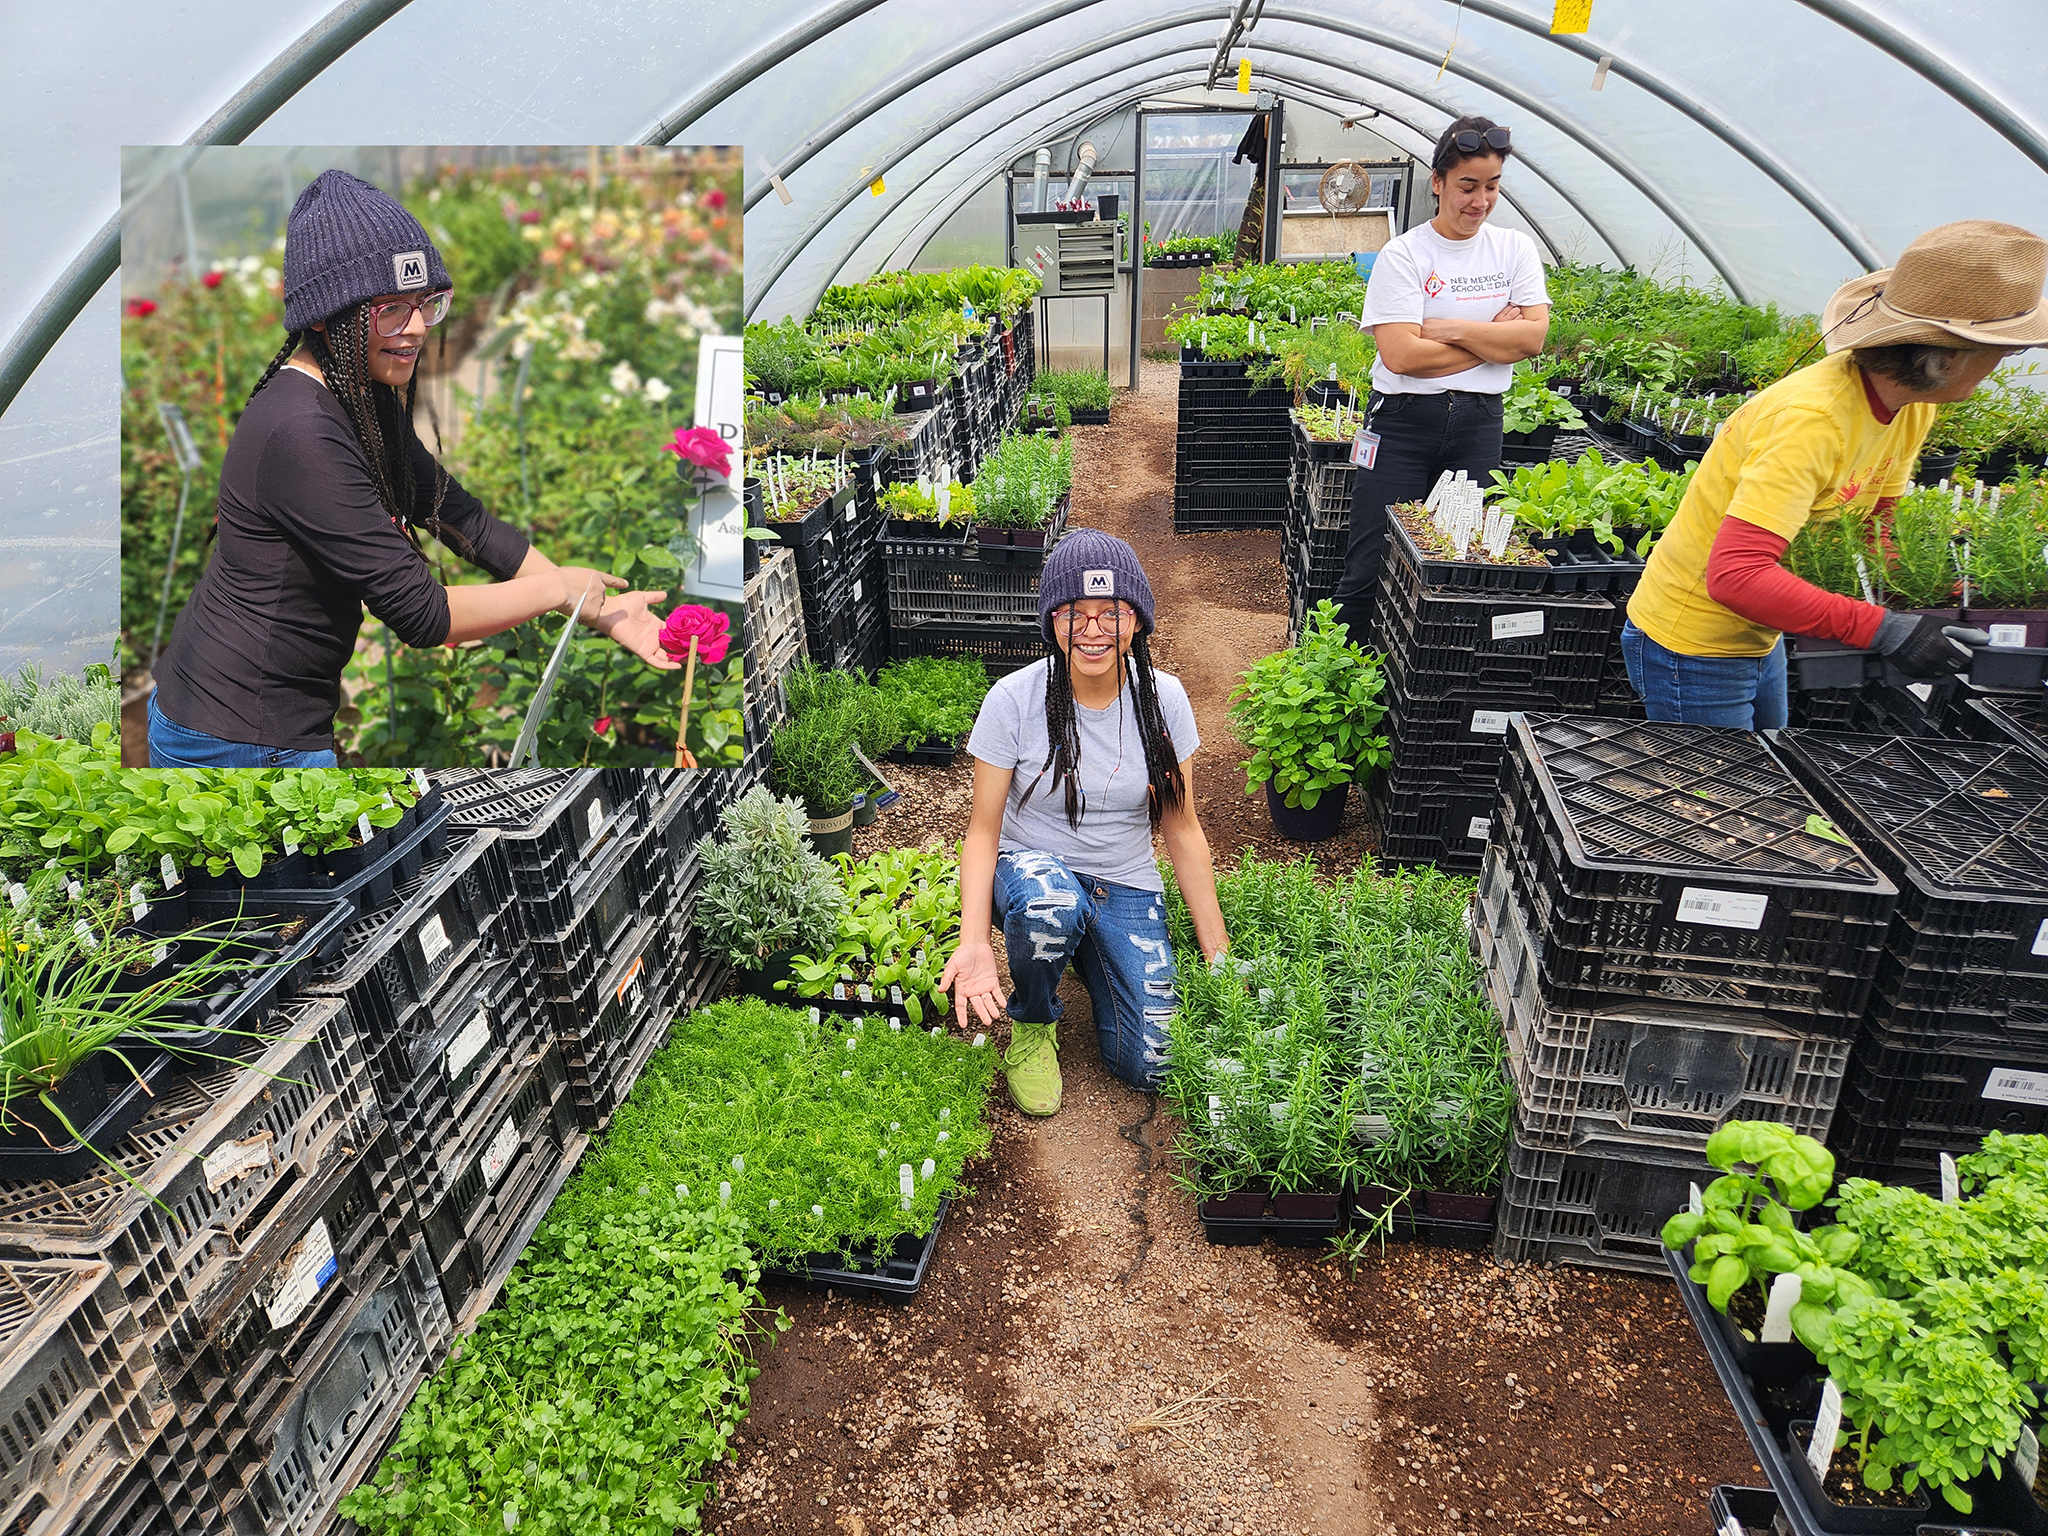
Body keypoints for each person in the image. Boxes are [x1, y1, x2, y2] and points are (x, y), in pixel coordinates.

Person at [147, 169, 677, 768]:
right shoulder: (300, 431)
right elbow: (425, 616)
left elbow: (457, 515)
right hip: (238, 737)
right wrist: (560, 588)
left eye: (426, 304)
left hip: (254, 718)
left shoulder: (353, 396)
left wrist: (603, 611)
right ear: (322, 316)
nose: (419, 327)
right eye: (391, 309)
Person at [1622, 220, 2048, 728]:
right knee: (1714, 800)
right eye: (2004, 350)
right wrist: (1884, 630)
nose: (2002, 362)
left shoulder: (1912, 404)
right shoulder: (1812, 420)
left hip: (1762, 633)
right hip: (1692, 644)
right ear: (1944, 359)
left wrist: (1930, 599)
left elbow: (1875, 523)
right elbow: (1735, 578)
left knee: (1769, 774)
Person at [937, 531, 1230, 1117]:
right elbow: (982, 833)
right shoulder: (1014, 700)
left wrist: (1217, 950)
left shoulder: (1163, 701)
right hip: (1033, 874)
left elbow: (1181, 828)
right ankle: (1035, 1021)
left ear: (1138, 622)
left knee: (1152, 1063)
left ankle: (1075, 955)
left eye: (1111, 613)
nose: (1093, 630)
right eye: (1075, 613)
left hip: (1122, 881)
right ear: (1052, 620)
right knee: (1051, 905)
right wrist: (974, 940)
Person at [1331, 116, 1551, 642]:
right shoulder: (1405, 254)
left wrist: (1450, 329)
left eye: (1492, 187)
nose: (1480, 201)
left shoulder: (1514, 250)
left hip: (1479, 424)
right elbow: (1403, 355)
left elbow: (1533, 340)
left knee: (1458, 559)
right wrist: (1492, 340)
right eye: (1467, 187)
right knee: (1371, 555)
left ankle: (1423, 684)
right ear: (1438, 182)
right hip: (1403, 422)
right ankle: (1341, 685)